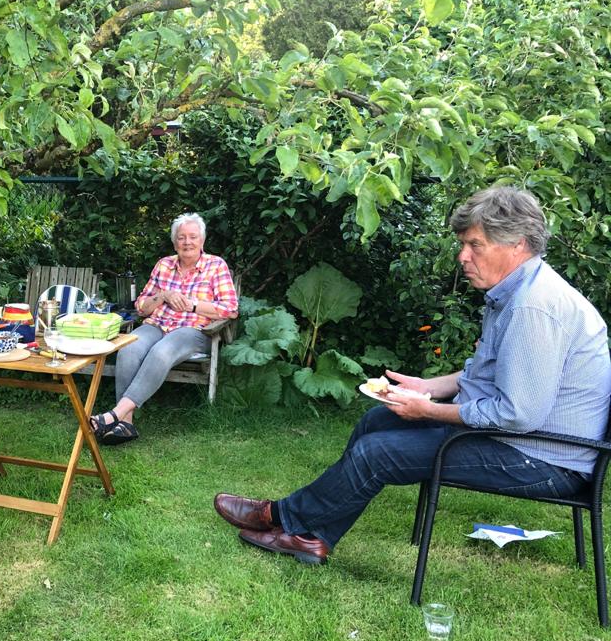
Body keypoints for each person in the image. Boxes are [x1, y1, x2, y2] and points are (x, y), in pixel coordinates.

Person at [214, 187, 611, 564]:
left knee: (378, 453)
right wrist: (428, 388)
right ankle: (312, 535)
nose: (462, 256)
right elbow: (487, 372)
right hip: (521, 441)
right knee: (375, 422)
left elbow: (517, 414)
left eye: (475, 245)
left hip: (545, 460)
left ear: (517, 244)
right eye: (463, 244)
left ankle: (284, 517)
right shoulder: (513, 294)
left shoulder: (533, 308)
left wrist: (428, 411)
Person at [90, 213, 238, 445]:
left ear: (202, 240)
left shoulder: (216, 266)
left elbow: (230, 309)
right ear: (174, 242)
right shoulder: (164, 265)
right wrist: (163, 296)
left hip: (194, 331)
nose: (187, 242)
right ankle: (126, 423)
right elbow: (141, 307)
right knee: (128, 347)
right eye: (181, 237)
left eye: (193, 237)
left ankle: (115, 414)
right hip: (158, 324)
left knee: (161, 351)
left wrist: (193, 305)